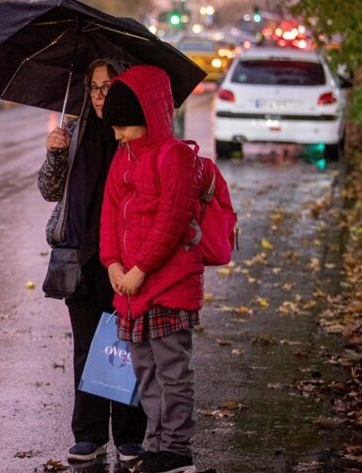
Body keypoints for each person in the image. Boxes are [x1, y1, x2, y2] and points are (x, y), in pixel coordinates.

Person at [38, 58, 148, 464]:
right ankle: (89, 435)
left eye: (109, 86)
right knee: (87, 347)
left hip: (125, 257)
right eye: (95, 87)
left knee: (126, 345)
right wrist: (55, 154)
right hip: (81, 255)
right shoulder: (74, 132)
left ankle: (129, 436)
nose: (101, 96)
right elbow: (49, 191)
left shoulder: (134, 132)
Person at [99, 66, 204, 473]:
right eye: (114, 128)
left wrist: (140, 268)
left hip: (168, 286)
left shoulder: (173, 156)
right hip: (132, 289)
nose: (118, 135)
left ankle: (176, 449)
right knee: (145, 371)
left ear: (149, 116)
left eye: (124, 127)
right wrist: (112, 261)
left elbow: (171, 221)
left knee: (172, 370)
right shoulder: (123, 157)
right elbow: (110, 213)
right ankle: (156, 445)